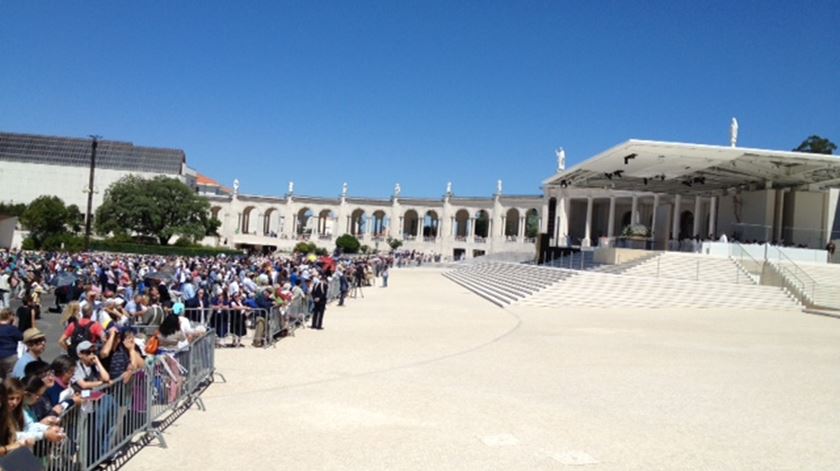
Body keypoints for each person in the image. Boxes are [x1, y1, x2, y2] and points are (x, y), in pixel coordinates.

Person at [0, 309, 22, 377]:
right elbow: (20, 337)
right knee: (12, 376)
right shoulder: (11, 328)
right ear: (9, 316)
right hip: (10, 355)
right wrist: (15, 325)